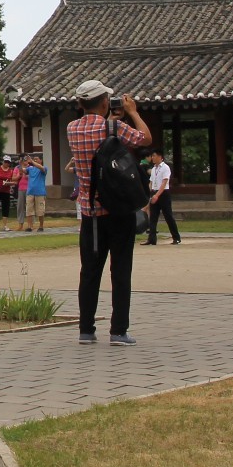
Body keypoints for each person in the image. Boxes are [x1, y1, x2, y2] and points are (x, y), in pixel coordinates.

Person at [65, 79, 151, 346]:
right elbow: (145, 139)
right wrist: (133, 112)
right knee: (120, 270)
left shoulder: (71, 128)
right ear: (104, 102)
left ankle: (86, 330)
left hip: (90, 213)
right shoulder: (113, 127)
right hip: (119, 211)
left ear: (79, 104)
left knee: (89, 271)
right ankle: (118, 331)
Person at [144, 146, 179, 245]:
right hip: (154, 192)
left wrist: (157, 195)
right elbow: (151, 182)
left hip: (163, 194)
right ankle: (152, 239)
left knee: (168, 216)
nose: (152, 158)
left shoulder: (165, 167)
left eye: (154, 156)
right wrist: (149, 194)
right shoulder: (154, 169)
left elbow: (164, 183)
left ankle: (176, 237)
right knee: (153, 217)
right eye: (152, 156)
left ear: (160, 156)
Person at [0, 155, 19, 232]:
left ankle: (5, 225)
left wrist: (8, 183)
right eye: (5, 162)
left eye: (8, 162)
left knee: (5, 207)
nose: (7, 163)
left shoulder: (11, 171)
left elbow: (14, 182)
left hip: (6, 191)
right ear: (3, 162)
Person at [23, 151, 48, 232]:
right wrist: (21, 162)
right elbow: (23, 170)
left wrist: (32, 162)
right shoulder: (30, 168)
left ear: (41, 160)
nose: (35, 160)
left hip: (40, 192)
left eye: (37, 159)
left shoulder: (43, 168)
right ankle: (29, 226)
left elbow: (40, 167)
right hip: (30, 192)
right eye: (34, 159)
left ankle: (41, 226)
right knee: (29, 210)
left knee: (40, 211)